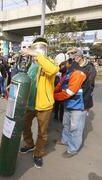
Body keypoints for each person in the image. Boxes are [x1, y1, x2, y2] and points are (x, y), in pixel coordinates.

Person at [19, 37, 59, 168]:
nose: (37, 50)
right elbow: (27, 79)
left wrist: (36, 54)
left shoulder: (50, 63)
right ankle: (30, 144)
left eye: (41, 48)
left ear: (46, 49)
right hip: (29, 104)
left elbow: (53, 70)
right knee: (25, 126)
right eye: (35, 47)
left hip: (44, 105)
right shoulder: (31, 65)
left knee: (42, 133)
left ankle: (38, 154)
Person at [54, 58, 87, 158]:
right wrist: (52, 93)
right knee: (66, 125)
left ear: (69, 63)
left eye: (63, 64)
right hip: (69, 105)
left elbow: (70, 92)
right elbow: (60, 86)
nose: (61, 67)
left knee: (75, 129)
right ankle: (65, 141)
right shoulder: (68, 73)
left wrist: (53, 97)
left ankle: (72, 149)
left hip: (78, 107)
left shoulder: (78, 73)